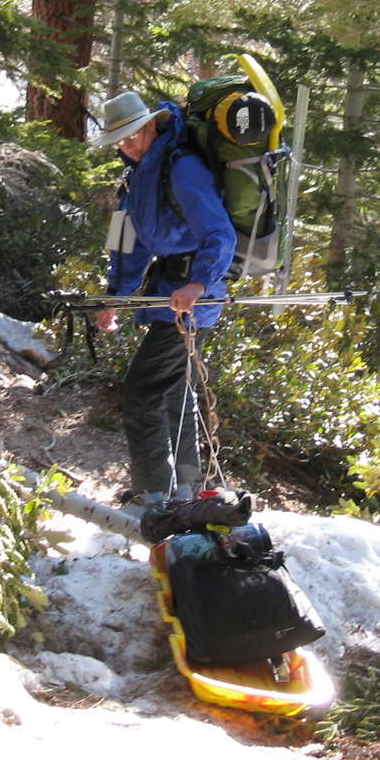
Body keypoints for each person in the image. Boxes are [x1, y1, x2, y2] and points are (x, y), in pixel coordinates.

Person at [89, 89, 236, 512]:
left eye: (133, 135)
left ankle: (154, 495)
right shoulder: (135, 179)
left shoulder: (183, 167)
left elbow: (219, 233)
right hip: (167, 293)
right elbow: (127, 247)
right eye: (119, 140)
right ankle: (183, 490)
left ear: (151, 124)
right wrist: (115, 297)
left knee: (143, 390)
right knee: (173, 391)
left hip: (193, 297)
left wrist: (199, 284)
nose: (127, 146)